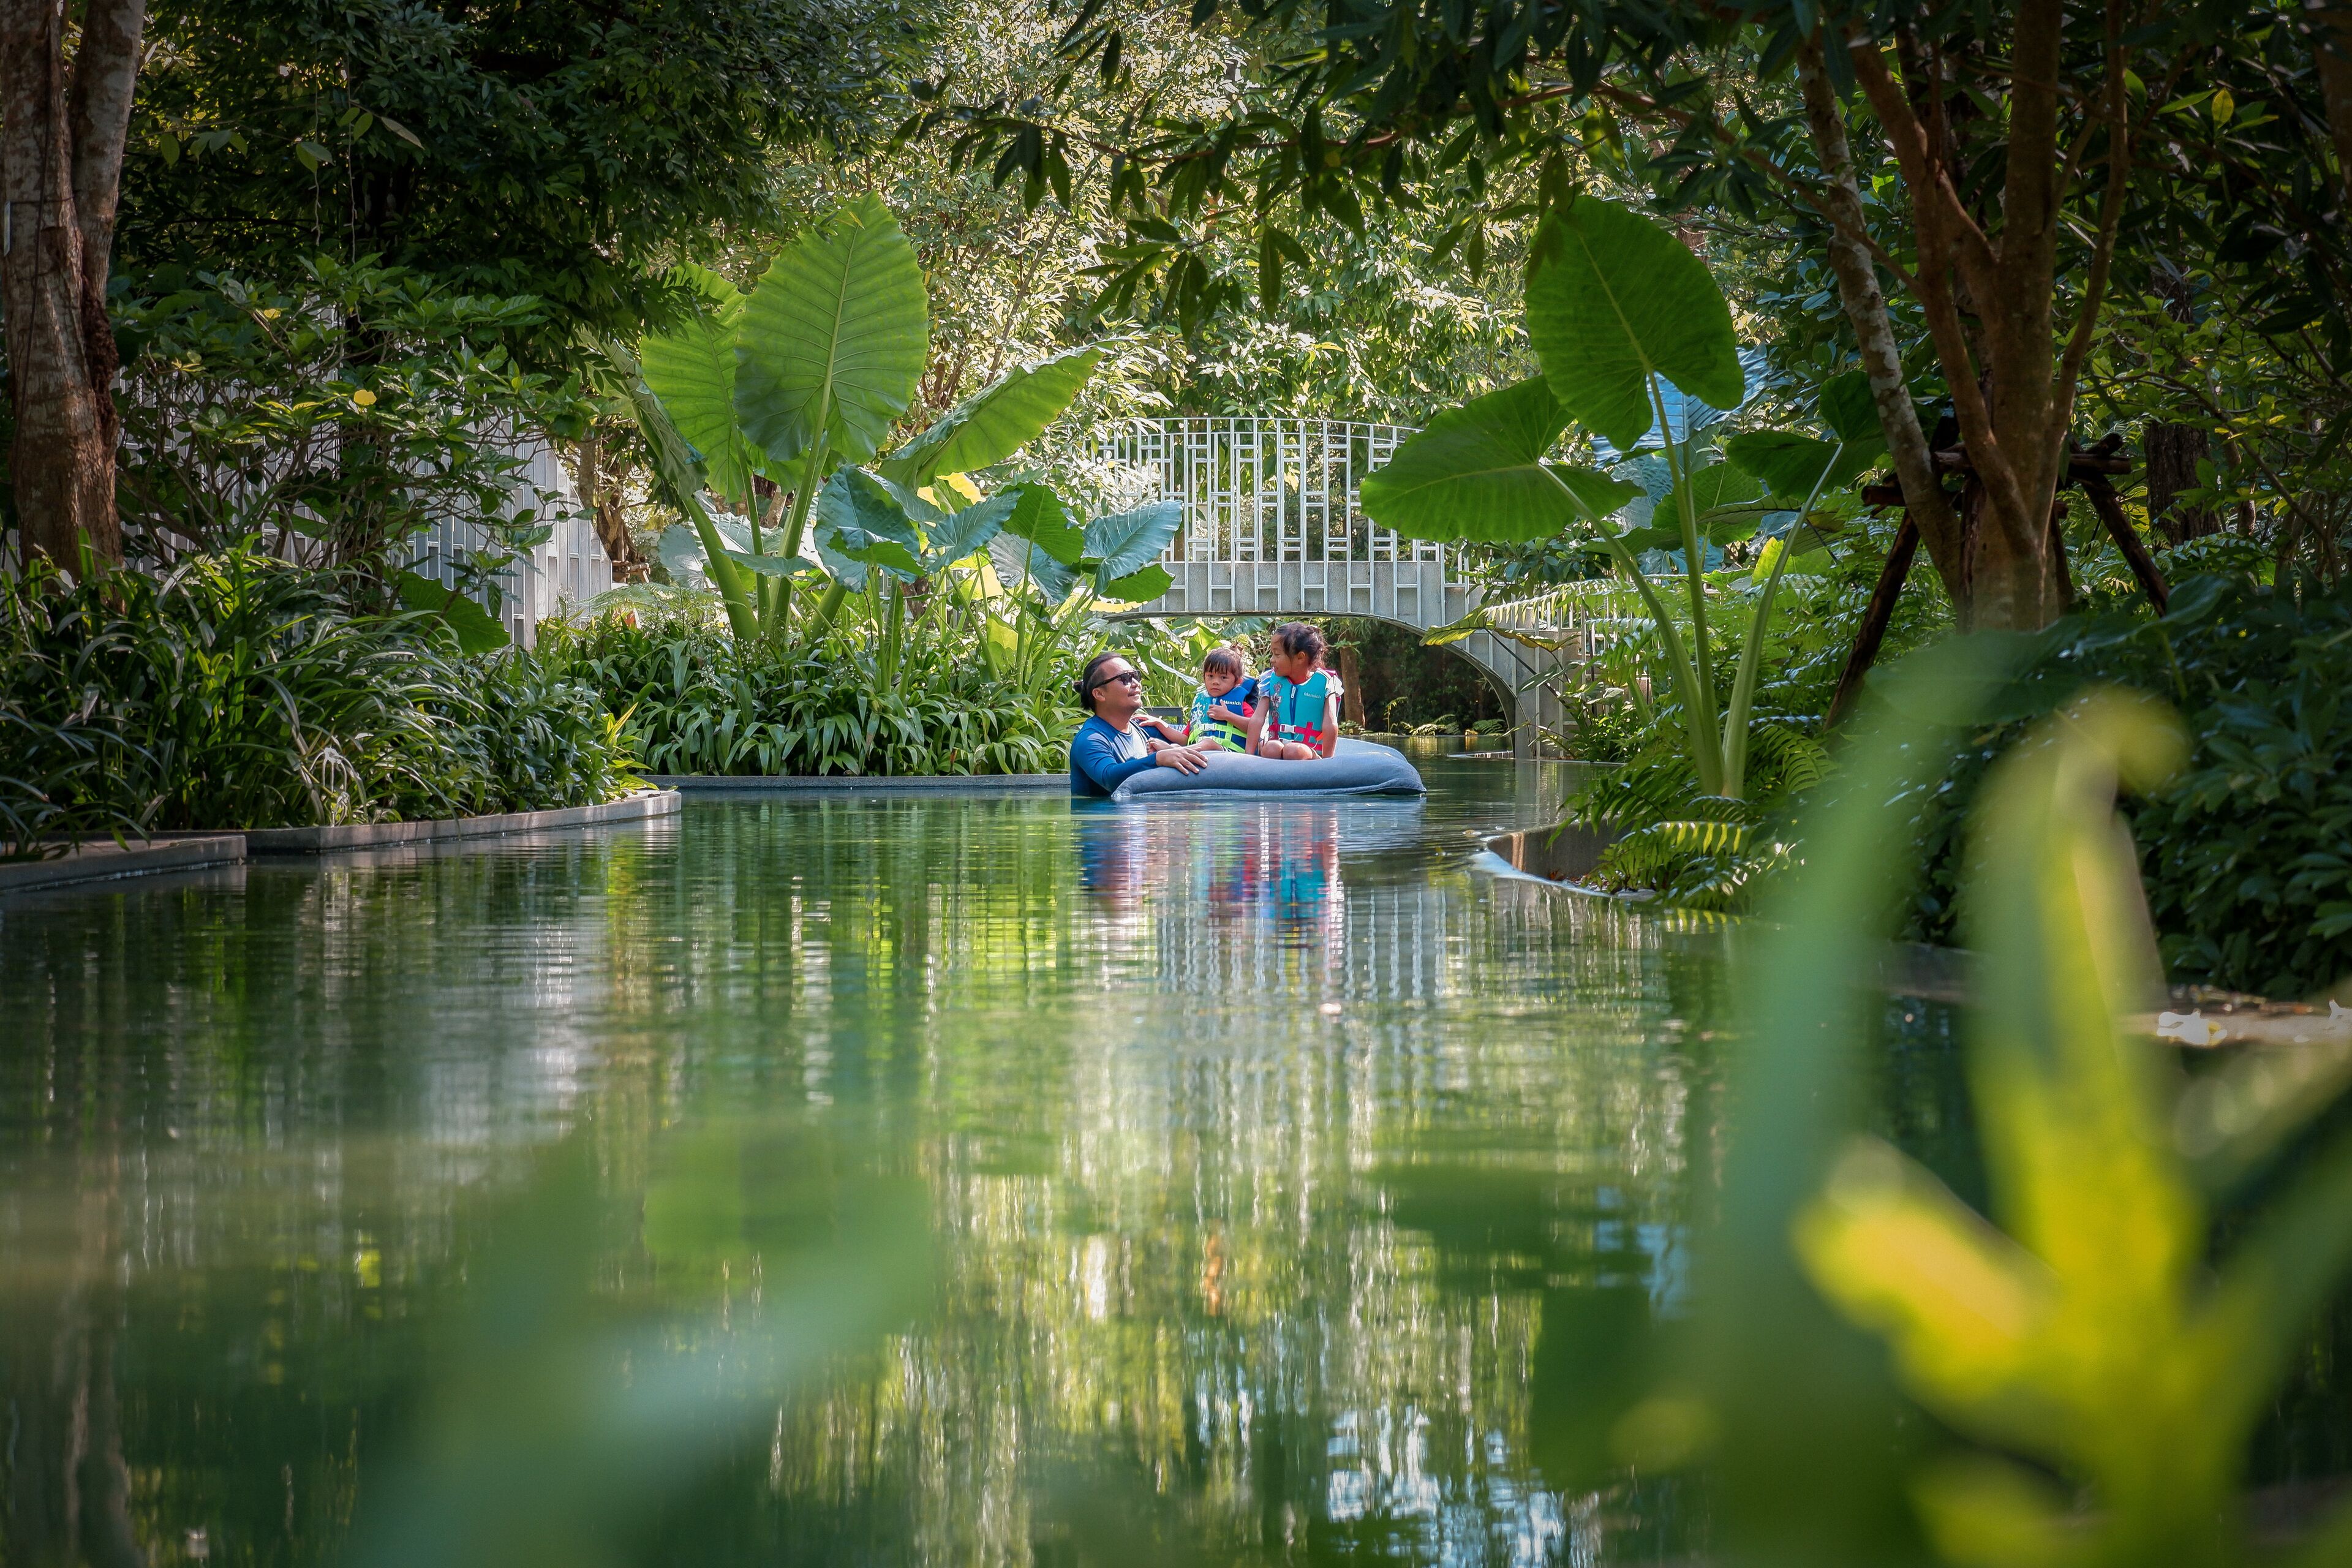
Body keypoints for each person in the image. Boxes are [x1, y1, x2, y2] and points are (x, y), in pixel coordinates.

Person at [1069, 651, 1208, 797]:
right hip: (1106, 820)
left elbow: (1194, 734)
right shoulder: (1090, 739)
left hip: (1140, 818)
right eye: (1125, 679)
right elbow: (1108, 777)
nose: (1136, 684)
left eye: (1135, 676)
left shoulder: (1144, 728)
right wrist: (1157, 759)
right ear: (1100, 694)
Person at [1248, 622, 1340, 760]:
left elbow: (1330, 724)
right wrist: (1248, 756)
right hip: (1278, 745)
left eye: (1277, 654)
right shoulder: (1270, 680)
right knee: (1271, 748)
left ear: (1300, 657)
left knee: (1294, 751)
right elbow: (1257, 719)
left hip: (1311, 752)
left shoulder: (1326, 683)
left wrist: (1328, 762)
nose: (1272, 660)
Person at [1142, 646, 1255, 752]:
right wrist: (1159, 723)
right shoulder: (1201, 705)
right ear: (1204, 677)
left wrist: (1227, 715)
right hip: (1200, 754)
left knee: (1208, 743)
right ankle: (1176, 750)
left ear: (1238, 682)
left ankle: (1175, 751)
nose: (1215, 682)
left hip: (1229, 755)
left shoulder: (1242, 705)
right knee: (1177, 745)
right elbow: (1185, 739)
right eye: (1211, 676)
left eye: (1223, 677)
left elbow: (1255, 729)